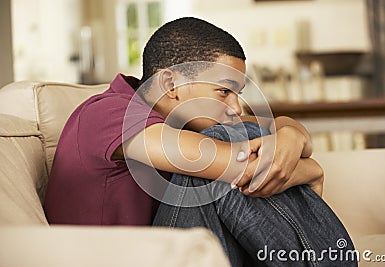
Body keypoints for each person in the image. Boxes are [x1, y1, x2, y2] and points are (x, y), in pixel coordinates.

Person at [45, 17, 357, 266]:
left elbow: (277, 126)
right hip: (124, 259)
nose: (235, 107)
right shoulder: (109, 113)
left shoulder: (181, 119)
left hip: (179, 251)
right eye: (224, 91)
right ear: (171, 83)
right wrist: (311, 170)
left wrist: (291, 135)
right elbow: (243, 169)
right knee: (219, 149)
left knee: (237, 136)